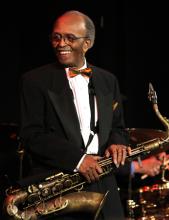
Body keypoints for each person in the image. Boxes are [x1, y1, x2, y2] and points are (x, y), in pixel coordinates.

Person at [19, 10, 132, 220]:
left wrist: (116, 142)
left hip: (104, 185)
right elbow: (32, 134)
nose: (61, 43)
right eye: (56, 37)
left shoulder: (109, 80)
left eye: (70, 37)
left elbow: (118, 127)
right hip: (60, 188)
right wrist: (79, 160)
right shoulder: (34, 80)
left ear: (87, 43)